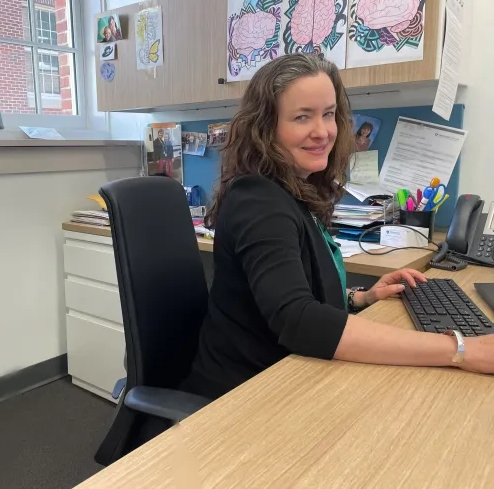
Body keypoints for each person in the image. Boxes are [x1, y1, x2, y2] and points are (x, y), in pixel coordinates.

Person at [180, 53, 494, 401]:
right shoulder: (259, 201)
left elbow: (290, 288)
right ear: (265, 128)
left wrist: (360, 297)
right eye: (302, 117)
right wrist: (461, 349)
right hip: (242, 397)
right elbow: (298, 319)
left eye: (328, 114)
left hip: (291, 375)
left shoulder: (293, 189)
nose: (323, 132)